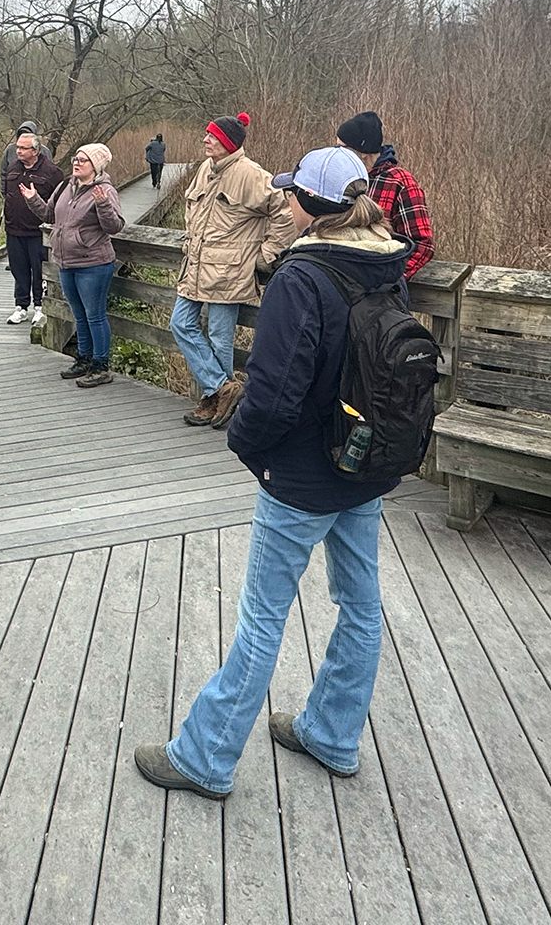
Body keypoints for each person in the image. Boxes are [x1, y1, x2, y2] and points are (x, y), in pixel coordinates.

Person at [134, 147, 410, 800]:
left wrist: (251, 451)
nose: (284, 200)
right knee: (362, 605)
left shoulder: (302, 276)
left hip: (302, 477)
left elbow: (272, 392)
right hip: (366, 461)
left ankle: (205, 756)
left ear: (310, 205)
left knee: (262, 617)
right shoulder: (388, 266)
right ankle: (333, 735)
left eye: (292, 194)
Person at [174, 112, 293, 430]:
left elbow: (285, 215)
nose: (205, 140)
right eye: (206, 135)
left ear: (228, 143)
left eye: (211, 136)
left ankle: (214, 403)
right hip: (197, 266)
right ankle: (222, 388)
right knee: (180, 324)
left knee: (220, 337)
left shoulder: (252, 175)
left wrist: (265, 255)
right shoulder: (204, 169)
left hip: (229, 271)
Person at [21, 143, 125, 387]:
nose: (76, 163)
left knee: (95, 316)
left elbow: (115, 226)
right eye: (76, 159)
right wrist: (33, 199)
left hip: (94, 264)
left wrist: (102, 205)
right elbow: (49, 215)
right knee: (79, 315)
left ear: (96, 166)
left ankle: (101, 366)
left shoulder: (104, 190)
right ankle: (84, 358)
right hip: (66, 262)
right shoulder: (65, 187)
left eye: (83, 160)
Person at [337, 112, 433, 278]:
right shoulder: (339, 177)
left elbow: (422, 245)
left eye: (342, 148)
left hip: (378, 289)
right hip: (340, 283)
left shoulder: (400, 183)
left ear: (363, 150)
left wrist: (389, 282)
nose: (337, 153)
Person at [2, 130, 65, 324]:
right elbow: (6, 193)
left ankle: (40, 306)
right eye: (17, 147)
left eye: (23, 148)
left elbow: (59, 201)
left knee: (39, 270)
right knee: (19, 270)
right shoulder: (12, 168)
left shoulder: (51, 172)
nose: (18, 151)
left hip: (38, 232)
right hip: (14, 230)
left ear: (35, 150)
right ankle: (21, 306)